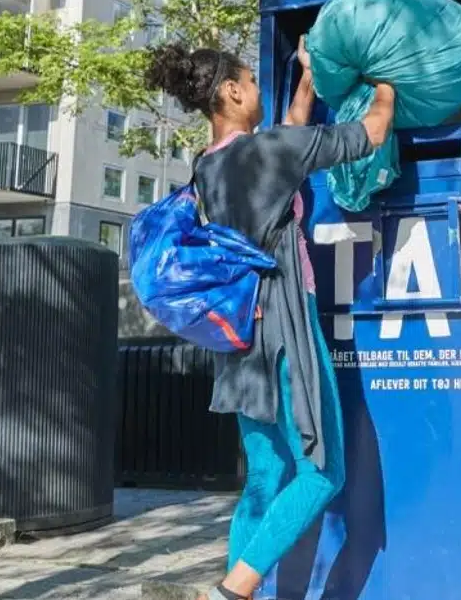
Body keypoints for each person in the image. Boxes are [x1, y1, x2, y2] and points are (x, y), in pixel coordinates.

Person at [142, 38, 396, 600]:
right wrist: (387, 78)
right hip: (286, 327)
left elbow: (284, 143)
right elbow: (372, 131)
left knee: (263, 478)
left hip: (236, 341)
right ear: (232, 90)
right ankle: (232, 592)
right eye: (252, 82)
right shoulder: (273, 151)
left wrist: (306, 82)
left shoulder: (207, 168)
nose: (258, 89)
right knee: (322, 473)